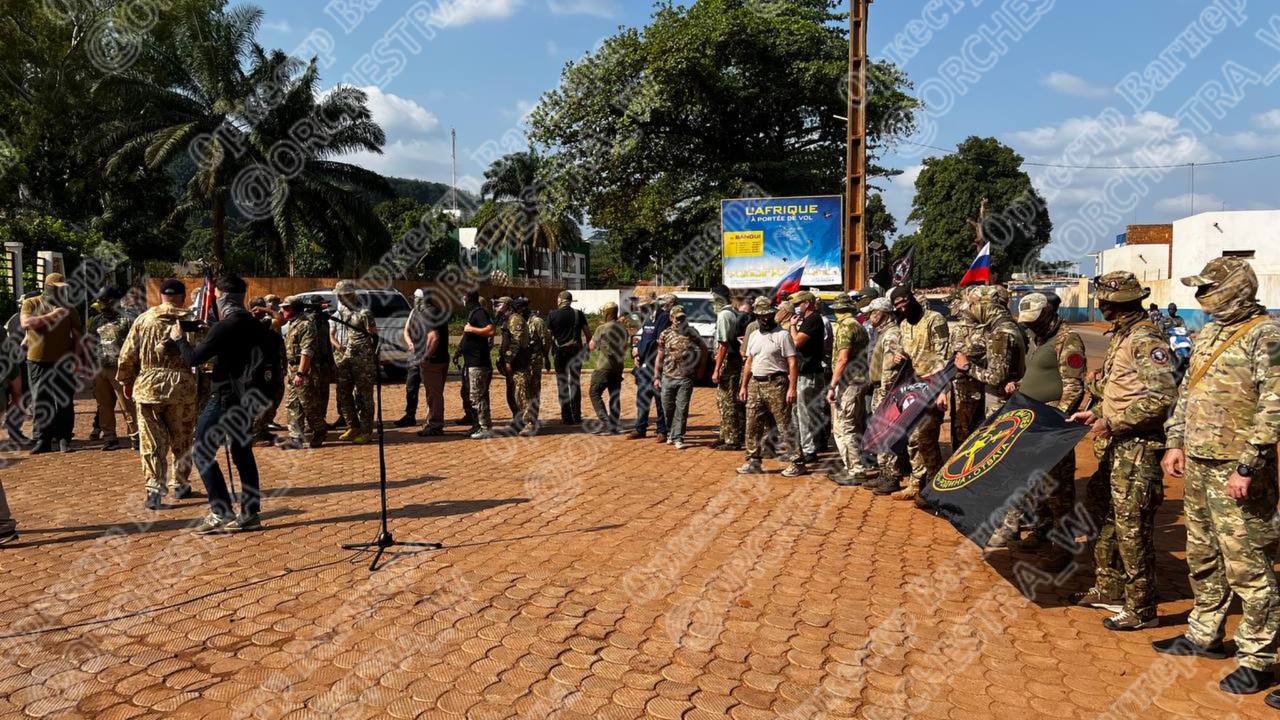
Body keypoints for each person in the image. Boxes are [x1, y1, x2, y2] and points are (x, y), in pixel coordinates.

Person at [1158, 257, 1280, 697]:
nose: (1201, 296)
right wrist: (1175, 441)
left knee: (1249, 565)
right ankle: (1204, 632)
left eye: (1208, 288)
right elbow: (1186, 393)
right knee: (1203, 553)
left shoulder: (1267, 335)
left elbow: (1274, 404)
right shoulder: (1209, 333)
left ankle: (1257, 658)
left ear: (1235, 289)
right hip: (1199, 463)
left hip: (1238, 470)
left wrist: (1249, 464)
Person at [1069, 271, 1176, 631]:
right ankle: (1110, 587)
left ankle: (1142, 607)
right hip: (1116, 445)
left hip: (1138, 448)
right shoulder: (1122, 335)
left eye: (1103, 299)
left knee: (1132, 528)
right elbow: (1122, 392)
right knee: (1101, 510)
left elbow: (1163, 397)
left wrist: (1113, 422)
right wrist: (1097, 412)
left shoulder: (1146, 339)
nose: (1099, 304)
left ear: (1116, 303)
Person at [171, 274, 270, 534]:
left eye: (215, 297)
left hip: (225, 397)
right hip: (249, 397)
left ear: (223, 298)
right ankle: (250, 513)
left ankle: (221, 511)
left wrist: (179, 338)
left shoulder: (224, 327)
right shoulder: (256, 325)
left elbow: (193, 358)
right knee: (242, 453)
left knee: (202, 452)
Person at [1009, 292, 1087, 569]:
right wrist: (1021, 386)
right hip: (1033, 421)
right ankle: (1042, 530)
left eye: (1033, 320)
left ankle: (1063, 546)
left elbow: (1074, 387)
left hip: (1052, 425)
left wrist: (1056, 420)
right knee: (1038, 482)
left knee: (1059, 488)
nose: (1029, 325)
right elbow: (1039, 374)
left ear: (1047, 313)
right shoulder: (1038, 339)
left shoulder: (1068, 340)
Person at [956, 286, 1028, 547]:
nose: (973, 310)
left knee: (1002, 463)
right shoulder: (1012, 328)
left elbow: (996, 377)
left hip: (1000, 404)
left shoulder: (1000, 332)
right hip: (1008, 402)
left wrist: (967, 366)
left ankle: (1009, 525)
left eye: (976, 306)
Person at [117, 279, 199, 509]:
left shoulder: (144, 319)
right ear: (183, 297)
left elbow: (127, 355)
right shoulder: (192, 320)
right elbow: (206, 356)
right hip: (182, 388)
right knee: (182, 439)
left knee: (151, 441)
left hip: (149, 388)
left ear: (161, 296)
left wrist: (126, 380)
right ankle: (180, 484)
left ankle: (154, 489)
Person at [887, 286, 950, 506]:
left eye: (903, 301)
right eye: (897, 305)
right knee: (913, 438)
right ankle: (916, 484)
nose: (902, 307)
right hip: (914, 386)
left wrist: (943, 391)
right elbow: (908, 353)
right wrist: (898, 356)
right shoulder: (904, 325)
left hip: (933, 385)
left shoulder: (934, 319)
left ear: (911, 298)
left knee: (927, 438)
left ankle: (935, 487)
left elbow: (944, 356)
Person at [737, 297, 804, 477]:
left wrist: (792, 388)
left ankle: (797, 461)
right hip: (755, 384)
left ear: (773, 314)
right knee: (752, 424)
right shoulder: (753, 335)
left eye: (768, 315)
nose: (765, 319)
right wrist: (744, 386)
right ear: (756, 316)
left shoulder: (782, 335)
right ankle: (753, 460)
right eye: (761, 316)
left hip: (776, 384)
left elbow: (792, 362)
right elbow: (749, 362)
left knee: (784, 424)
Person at [20, 273, 84, 454]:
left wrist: (77, 359)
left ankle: (64, 438)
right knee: (40, 400)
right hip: (37, 361)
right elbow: (26, 323)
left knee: (64, 401)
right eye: (57, 288)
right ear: (48, 287)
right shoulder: (32, 303)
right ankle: (43, 440)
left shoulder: (70, 309)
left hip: (64, 362)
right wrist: (53, 315)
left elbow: (78, 337)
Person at [826, 292, 872, 485]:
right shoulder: (859, 327)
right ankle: (853, 465)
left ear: (838, 310)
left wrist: (832, 385)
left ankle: (855, 469)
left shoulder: (846, 327)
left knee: (844, 427)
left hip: (848, 382)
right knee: (854, 424)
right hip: (859, 380)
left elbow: (842, 358)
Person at [863, 297, 907, 494]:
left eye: (873, 312)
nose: (869, 316)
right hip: (879, 389)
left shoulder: (891, 334)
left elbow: (890, 369)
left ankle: (892, 476)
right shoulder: (881, 333)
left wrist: (886, 396)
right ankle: (884, 472)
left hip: (886, 391)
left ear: (882, 313)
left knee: (889, 433)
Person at [86, 286, 138, 451]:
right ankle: (110, 438)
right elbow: (90, 342)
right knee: (104, 405)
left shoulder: (127, 320)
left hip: (120, 368)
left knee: (127, 404)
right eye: (100, 301)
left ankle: (135, 436)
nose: (101, 305)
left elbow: (136, 344)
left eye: (104, 301)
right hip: (100, 368)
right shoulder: (96, 321)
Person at [330, 280, 376, 444]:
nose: (339, 299)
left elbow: (374, 337)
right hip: (348, 356)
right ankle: (353, 426)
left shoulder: (364, 313)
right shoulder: (343, 312)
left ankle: (366, 431)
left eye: (341, 296)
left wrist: (370, 357)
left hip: (363, 360)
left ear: (350, 295)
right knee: (342, 392)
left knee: (364, 396)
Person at [654, 305, 707, 450]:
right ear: (671, 318)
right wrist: (656, 376)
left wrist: (701, 368)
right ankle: (671, 432)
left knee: (682, 409)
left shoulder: (691, 333)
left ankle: (678, 437)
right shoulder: (665, 334)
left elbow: (703, 349)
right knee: (668, 408)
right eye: (677, 318)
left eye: (682, 318)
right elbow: (659, 356)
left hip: (686, 377)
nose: (680, 321)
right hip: (668, 377)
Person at [278, 297, 327, 449]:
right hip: (293, 369)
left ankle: (320, 430)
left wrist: (300, 373)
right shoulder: (293, 323)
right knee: (293, 404)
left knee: (308, 404)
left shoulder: (306, 324)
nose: (282, 310)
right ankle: (295, 438)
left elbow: (307, 351)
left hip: (304, 370)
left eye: (285, 308)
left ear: (293, 308)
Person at [788, 291, 827, 465]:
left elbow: (797, 342)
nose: (797, 307)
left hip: (808, 373)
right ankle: (814, 446)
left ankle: (809, 450)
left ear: (808, 303)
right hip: (809, 372)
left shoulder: (813, 320)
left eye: (799, 304)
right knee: (809, 412)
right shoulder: (809, 320)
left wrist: (792, 326)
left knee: (805, 414)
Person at [630, 294, 673, 441]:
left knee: (660, 399)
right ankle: (640, 428)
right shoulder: (647, 318)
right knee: (642, 397)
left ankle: (662, 430)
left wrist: (643, 352)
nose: (641, 310)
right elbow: (641, 337)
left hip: (657, 365)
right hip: (644, 365)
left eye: (644, 307)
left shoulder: (664, 318)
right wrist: (636, 350)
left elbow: (658, 342)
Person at [712, 295, 750, 451]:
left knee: (727, 401)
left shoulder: (724, 315)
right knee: (726, 401)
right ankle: (726, 435)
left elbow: (723, 344)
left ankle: (731, 439)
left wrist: (716, 369)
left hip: (729, 361)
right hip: (734, 360)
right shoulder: (733, 314)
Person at [247, 296, 286, 444]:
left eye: (262, 306)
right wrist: (266, 310)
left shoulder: (264, 323)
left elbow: (280, 320)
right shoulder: (251, 323)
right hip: (255, 369)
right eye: (259, 307)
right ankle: (255, 435)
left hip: (267, 367)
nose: (262, 310)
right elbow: (280, 319)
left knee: (270, 398)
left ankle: (261, 430)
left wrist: (265, 310)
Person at [949, 290, 985, 447]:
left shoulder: (984, 328)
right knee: (960, 427)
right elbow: (953, 354)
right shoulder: (958, 329)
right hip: (961, 385)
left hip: (979, 383)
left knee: (977, 426)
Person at [587, 302, 629, 434]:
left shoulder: (602, 328)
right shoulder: (623, 329)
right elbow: (624, 347)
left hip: (603, 366)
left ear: (608, 313)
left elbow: (591, 346)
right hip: (618, 367)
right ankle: (614, 424)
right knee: (614, 395)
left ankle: (606, 423)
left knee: (594, 392)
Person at [547, 291, 589, 424]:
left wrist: (546, 354)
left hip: (559, 353)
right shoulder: (578, 314)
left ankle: (566, 417)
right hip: (576, 353)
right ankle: (577, 415)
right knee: (575, 383)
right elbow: (588, 334)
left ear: (560, 300)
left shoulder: (552, 315)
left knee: (562, 384)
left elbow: (548, 336)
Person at [459, 289, 495, 439]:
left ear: (468, 298)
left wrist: (471, 329)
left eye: (464, 297)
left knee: (477, 397)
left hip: (478, 363)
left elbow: (490, 330)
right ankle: (476, 426)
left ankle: (485, 427)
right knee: (474, 396)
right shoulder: (473, 313)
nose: (462, 300)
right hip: (471, 362)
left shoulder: (479, 312)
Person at [414, 294, 450, 437]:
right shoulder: (437, 311)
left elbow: (434, 337)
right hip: (442, 359)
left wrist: (426, 356)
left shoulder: (426, 314)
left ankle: (435, 425)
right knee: (436, 393)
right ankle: (432, 422)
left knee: (434, 395)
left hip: (432, 361)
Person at [397, 288, 430, 428]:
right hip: (414, 355)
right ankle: (410, 415)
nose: (414, 301)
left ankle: (431, 418)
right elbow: (406, 330)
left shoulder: (430, 313)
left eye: (416, 298)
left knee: (430, 389)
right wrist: (410, 342)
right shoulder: (413, 312)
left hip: (426, 355)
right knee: (411, 387)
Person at [521, 298, 552, 429]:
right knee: (522, 390)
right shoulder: (517, 321)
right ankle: (523, 418)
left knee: (533, 389)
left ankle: (531, 421)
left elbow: (546, 340)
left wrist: (546, 357)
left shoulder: (537, 321)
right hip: (521, 361)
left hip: (534, 360)